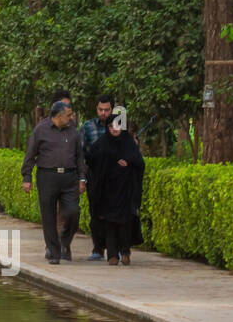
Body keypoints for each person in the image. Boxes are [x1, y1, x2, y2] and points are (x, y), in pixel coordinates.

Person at [21, 99, 85, 264]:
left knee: (73, 212)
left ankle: (64, 240)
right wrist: (26, 177)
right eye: (69, 115)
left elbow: (79, 157)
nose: (71, 118)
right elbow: (30, 155)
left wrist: (82, 178)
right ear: (59, 116)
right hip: (47, 177)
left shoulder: (73, 131)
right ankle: (54, 252)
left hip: (69, 177)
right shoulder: (41, 130)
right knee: (48, 215)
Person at [86, 112, 146, 265]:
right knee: (109, 223)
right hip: (107, 191)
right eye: (111, 126)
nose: (114, 129)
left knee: (125, 222)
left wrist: (129, 162)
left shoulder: (129, 143)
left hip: (125, 191)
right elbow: (91, 160)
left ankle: (125, 252)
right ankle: (112, 255)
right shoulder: (102, 143)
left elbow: (139, 163)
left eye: (117, 126)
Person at [80, 94, 115, 261]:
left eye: (106, 110)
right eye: (100, 109)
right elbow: (80, 151)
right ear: (96, 109)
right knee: (95, 214)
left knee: (114, 214)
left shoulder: (118, 127)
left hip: (114, 178)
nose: (103, 113)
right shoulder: (88, 126)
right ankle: (98, 249)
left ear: (112, 110)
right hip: (94, 176)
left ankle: (115, 250)